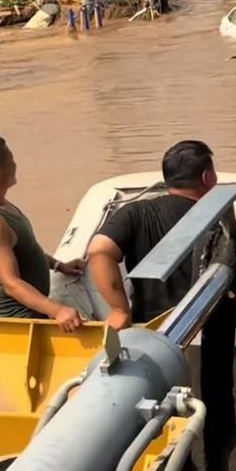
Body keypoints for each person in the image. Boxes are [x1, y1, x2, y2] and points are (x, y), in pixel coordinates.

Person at [87, 140, 217, 329]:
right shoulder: (221, 220)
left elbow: (98, 249)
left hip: (146, 329)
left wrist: (119, 310)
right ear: (207, 177)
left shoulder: (136, 212)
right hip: (202, 329)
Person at [0, 134, 83, 331]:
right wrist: (57, 310)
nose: (15, 164)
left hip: (32, 311)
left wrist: (58, 265)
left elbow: (27, 249)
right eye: (11, 160)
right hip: (12, 322)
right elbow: (11, 283)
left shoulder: (3, 204)